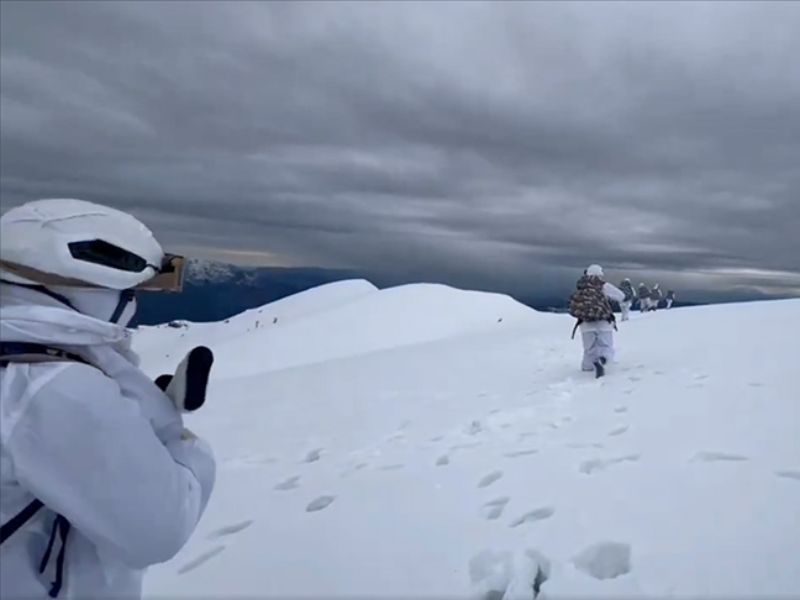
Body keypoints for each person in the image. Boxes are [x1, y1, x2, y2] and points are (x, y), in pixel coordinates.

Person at [0, 199, 216, 599]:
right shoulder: (54, 389)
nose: (133, 304)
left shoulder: (26, 364)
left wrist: (135, 405)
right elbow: (158, 529)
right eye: (130, 290)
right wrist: (176, 438)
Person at [568, 264, 625, 378]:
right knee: (606, 347)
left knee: (589, 349)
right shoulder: (604, 286)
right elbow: (621, 296)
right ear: (599, 274)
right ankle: (602, 361)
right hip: (603, 321)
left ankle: (587, 369)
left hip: (585, 323)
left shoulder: (581, 287)